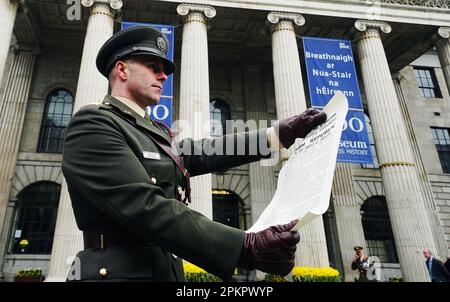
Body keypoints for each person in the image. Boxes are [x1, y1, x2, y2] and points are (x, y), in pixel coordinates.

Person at [62, 26, 327, 282]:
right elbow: (145, 206)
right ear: (121, 69)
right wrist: (244, 247)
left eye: (164, 70)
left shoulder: (153, 132)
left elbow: (204, 152)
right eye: (153, 67)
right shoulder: (93, 123)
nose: (164, 76)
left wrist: (278, 135)